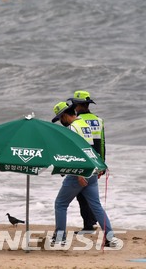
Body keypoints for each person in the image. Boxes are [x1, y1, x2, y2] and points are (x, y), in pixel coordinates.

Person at [51, 101, 119, 247]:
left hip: (80, 172)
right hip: (91, 170)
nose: (60, 122)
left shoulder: (73, 128)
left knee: (60, 204)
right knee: (96, 206)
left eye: (59, 119)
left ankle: (60, 238)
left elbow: (78, 152)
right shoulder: (84, 124)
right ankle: (110, 237)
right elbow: (89, 149)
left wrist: (79, 174)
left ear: (63, 115)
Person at [69, 90, 106, 233]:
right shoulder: (99, 120)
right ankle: (91, 222)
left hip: (83, 161)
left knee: (82, 195)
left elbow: (76, 145)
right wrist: (102, 164)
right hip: (96, 162)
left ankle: (89, 225)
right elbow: (102, 144)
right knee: (90, 195)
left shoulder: (77, 122)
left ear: (78, 105)